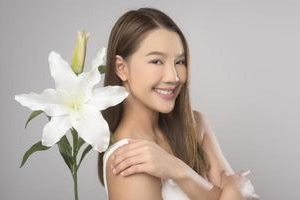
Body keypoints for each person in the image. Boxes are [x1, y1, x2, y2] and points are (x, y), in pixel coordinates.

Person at [97, 7, 259, 200]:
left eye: (180, 62)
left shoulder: (195, 125)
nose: (173, 77)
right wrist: (234, 191)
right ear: (121, 68)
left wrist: (178, 170)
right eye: (156, 61)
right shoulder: (130, 159)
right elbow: (237, 194)